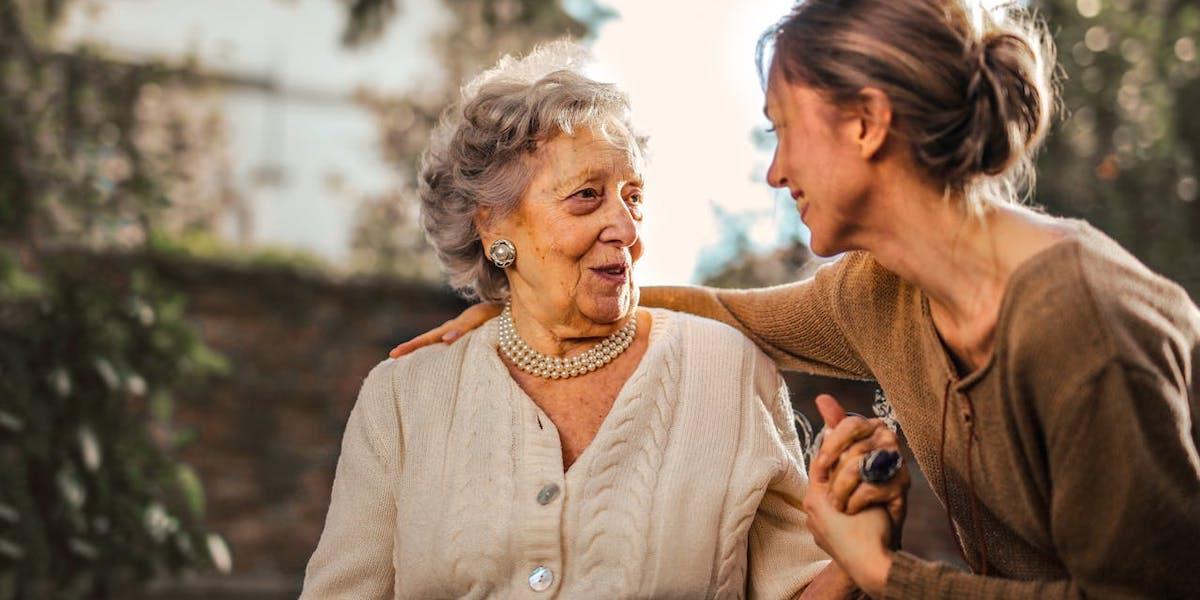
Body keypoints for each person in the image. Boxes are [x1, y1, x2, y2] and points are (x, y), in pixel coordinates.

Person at [390, 1, 1200, 597]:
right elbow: (724, 313)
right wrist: (528, 305)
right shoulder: (882, 293)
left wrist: (878, 568)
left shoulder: (1082, 323)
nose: (775, 172)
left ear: (866, 124)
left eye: (782, 128)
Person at [301, 42, 856, 598]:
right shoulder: (403, 397)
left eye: (633, 197)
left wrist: (858, 555)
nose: (625, 227)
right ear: (493, 226)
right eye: (587, 196)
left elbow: (796, 585)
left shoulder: (727, 371)